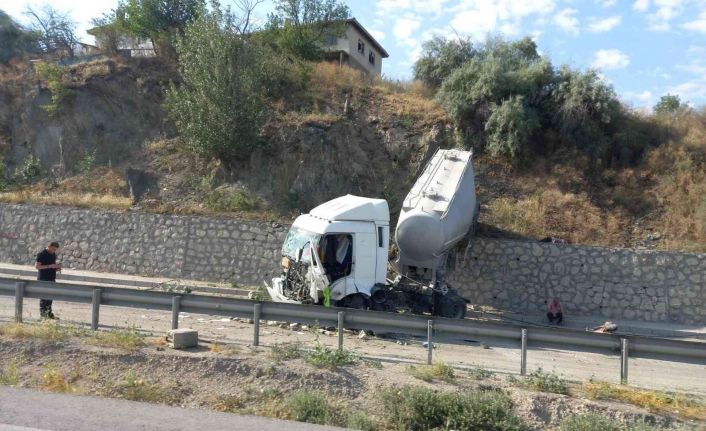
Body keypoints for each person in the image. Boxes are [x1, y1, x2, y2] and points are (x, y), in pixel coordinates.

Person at [36, 241, 61, 319]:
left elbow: (51, 265)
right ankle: (43, 315)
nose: (54, 251)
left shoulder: (53, 254)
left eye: (55, 250)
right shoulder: (41, 254)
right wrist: (50, 266)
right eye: (53, 249)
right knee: (44, 298)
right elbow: (37, 266)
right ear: (49, 246)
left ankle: (49, 314)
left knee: (50, 297)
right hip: (43, 278)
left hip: (51, 278)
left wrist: (56, 268)